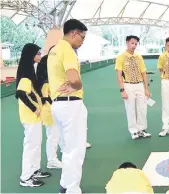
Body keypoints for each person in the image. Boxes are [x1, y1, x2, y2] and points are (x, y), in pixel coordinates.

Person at [47, 19, 88, 193]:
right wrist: (76, 85)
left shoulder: (54, 50)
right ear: (74, 33)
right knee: (75, 151)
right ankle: (72, 189)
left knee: (67, 148)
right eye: (82, 37)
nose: (82, 41)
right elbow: (74, 79)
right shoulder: (68, 51)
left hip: (58, 105)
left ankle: (65, 184)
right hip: (71, 105)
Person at [16, 43, 51, 187]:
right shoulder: (25, 75)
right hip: (30, 117)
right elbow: (20, 93)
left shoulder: (30, 71)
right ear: (31, 55)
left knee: (36, 144)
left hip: (35, 117)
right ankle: (25, 177)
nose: (40, 56)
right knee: (31, 146)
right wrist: (34, 109)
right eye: (37, 54)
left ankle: (35, 170)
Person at [115, 35, 151, 140]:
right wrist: (122, 90)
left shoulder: (138, 57)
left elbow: (143, 73)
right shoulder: (120, 57)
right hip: (128, 85)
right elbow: (119, 76)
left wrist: (146, 89)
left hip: (139, 85)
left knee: (142, 108)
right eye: (132, 43)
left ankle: (141, 129)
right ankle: (133, 131)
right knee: (130, 109)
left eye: (135, 44)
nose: (134, 46)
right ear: (127, 42)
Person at [36, 47, 63, 169]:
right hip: (49, 112)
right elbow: (46, 97)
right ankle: (51, 160)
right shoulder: (46, 83)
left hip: (52, 111)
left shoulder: (48, 81)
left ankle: (54, 157)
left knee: (56, 135)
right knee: (53, 136)